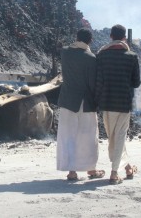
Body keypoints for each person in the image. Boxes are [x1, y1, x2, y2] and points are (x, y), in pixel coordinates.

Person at [56, 28, 105, 181]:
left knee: (68, 136)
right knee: (88, 136)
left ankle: (72, 171)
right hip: (85, 103)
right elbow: (92, 83)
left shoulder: (65, 52)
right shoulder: (91, 58)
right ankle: (91, 169)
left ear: (76, 37)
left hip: (67, 101)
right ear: (90, 41)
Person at [95, 24, 140, 185]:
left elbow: (98, 81)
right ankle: (114, 173)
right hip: (124, 103)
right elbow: (136, 83)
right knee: (119, 137)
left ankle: (127, 167)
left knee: (112, 137)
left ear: (110, 37)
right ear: (124, 38)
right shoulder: (132, 56)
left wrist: (97, 99)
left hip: (106, 102)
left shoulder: (101, 56)